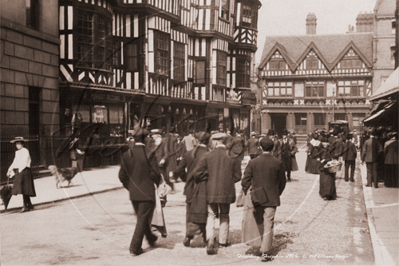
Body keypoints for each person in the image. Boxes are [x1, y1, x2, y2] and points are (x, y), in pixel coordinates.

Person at [193, 132, 242, 255]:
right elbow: (237, 177)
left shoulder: (207, 155)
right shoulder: (233, 157)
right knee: (224, 215)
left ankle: (210, 240)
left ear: (215, 142)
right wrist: (227, 181)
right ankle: (223, 241)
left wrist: (209, 178)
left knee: (211, 215)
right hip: (226, 191)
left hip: (211, 190)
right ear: (225, 142)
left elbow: (197, 174)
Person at [241, 138, 286, 262]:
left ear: (260, 147)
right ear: (272, 148)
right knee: (269, 223)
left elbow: (245, 180)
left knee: (259, 222)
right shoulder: (278, 163)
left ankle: (260, 244)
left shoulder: (253, 162)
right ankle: (265, 252)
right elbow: (283, 182)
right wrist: (277, 193)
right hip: (272, 198)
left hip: (257, 197)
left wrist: (249, 193)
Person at [118, 128, 161, 256]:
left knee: (142, 218)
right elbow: (155, 174)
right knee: (142, 220)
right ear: (146, 138)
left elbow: (122, 176)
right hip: (147, 192)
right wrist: (158, 185)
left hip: (134, 194)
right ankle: (134, 247)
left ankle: (151, 238)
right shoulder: (149, 153)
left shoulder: (127, 154)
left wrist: (130, 187)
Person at [174, 132, 210, 247]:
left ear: (197, 141)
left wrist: (187, 179)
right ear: (208, 141)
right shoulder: (209, 154)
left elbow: (179, 170)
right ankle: (205, 236)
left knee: (190, 212)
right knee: (204, 211)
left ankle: (188, 236)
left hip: (190, 187)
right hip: (204, 187)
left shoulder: (188, 154)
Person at [7, 137, 36, 212]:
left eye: (19, 144)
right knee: (23, 188)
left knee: (24, 188)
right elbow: (15, 162)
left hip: (24, 171)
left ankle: (25, 205)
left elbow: (24, 161)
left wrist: (19, 170)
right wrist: (9, 169)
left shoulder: (25, 151)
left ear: (23, 144)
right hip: (20, 171)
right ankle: (29, 204)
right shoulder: (17, 152)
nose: (18, 145)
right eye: (17, 144)